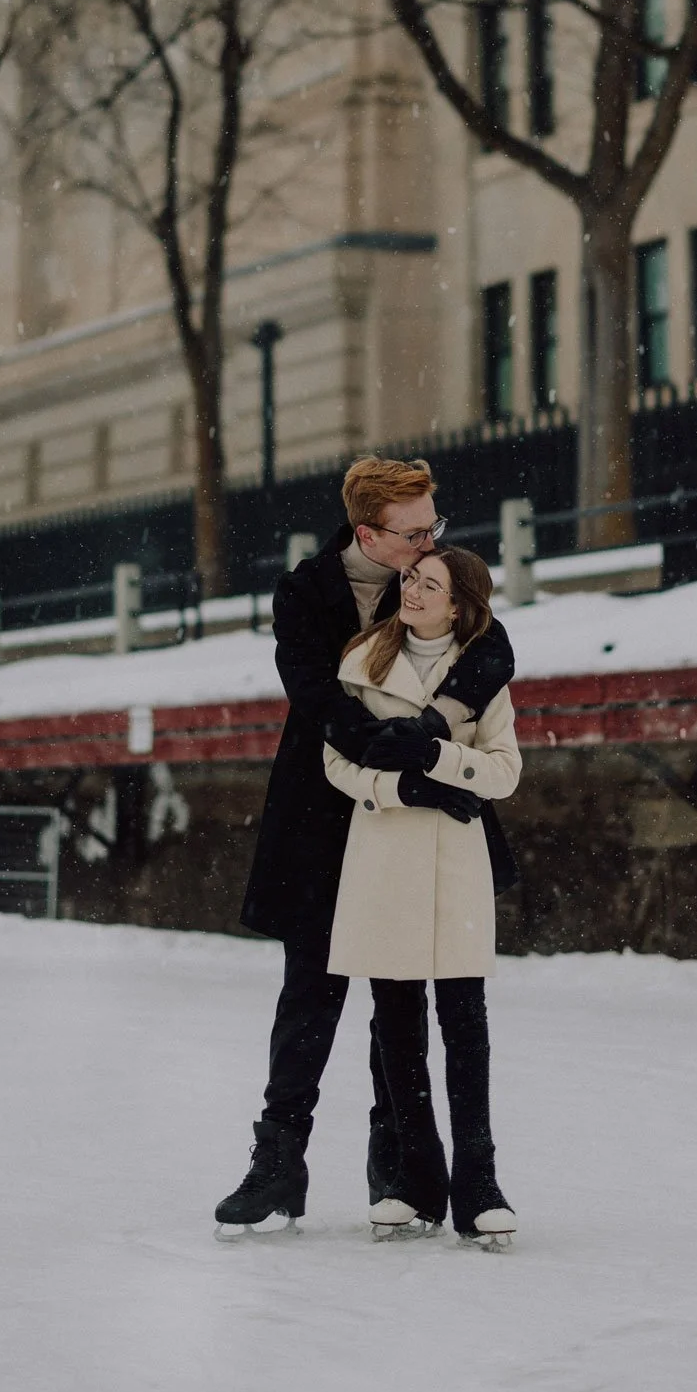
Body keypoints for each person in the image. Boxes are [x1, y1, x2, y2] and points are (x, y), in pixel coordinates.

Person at [214, 457, 517, 1235]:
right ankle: (277, 1157)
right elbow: (315, 697)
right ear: (368, 535)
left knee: (400, 992)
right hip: (326, 808)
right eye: (415, 534)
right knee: (310, 991)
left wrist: (430, 733)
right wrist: (398, 758)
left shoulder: (428, 580)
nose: (429, 546)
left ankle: (401, 1167)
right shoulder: (303, 592)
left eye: (432, 529)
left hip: (417, 811)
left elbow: (494, 652)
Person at [324, 544, 521, 1248]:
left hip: (453, 863)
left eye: (427, 583)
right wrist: (398, 786)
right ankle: (413, 1177)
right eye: (410, 577)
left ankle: (479, 1180)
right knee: (395, 1025)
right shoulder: (363, 661)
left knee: (465, 1024)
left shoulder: (479, 675)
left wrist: (437, 756)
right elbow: (336, 760)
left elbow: (505, 772)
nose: (410, 589)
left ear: (458, 604)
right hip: (382, 856)